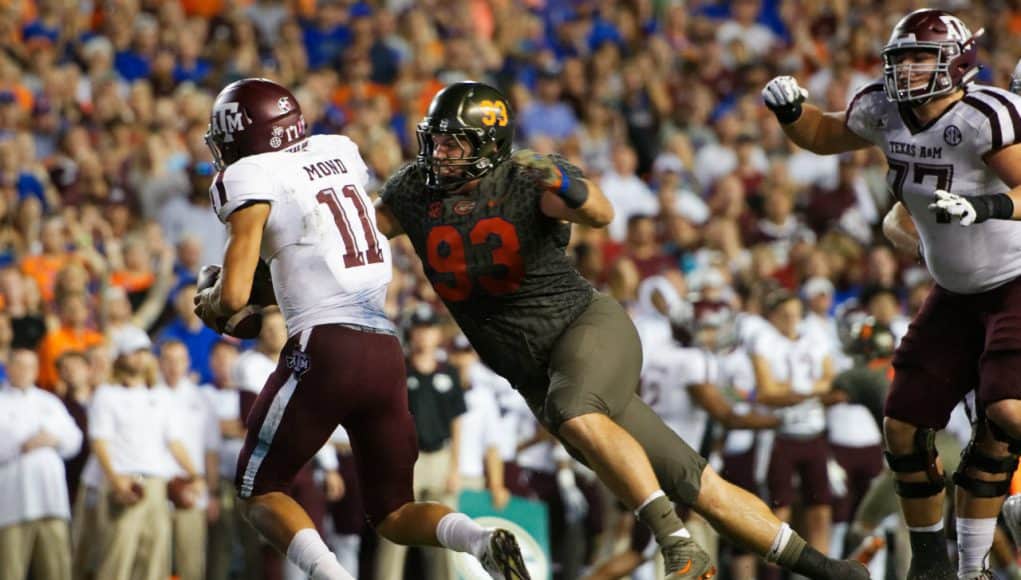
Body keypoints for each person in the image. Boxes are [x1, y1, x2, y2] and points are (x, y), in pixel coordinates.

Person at [375, 79, 868, 579]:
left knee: (573, 411)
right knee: (699, 486)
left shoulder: (523, 176)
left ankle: (676, 543)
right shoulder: (413, 189)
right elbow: (364, 230)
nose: (440, 151)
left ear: (490, 142)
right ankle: (831, 571)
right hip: (537, 376)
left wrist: (561, 180)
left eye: (455, 140)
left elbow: (600, 213)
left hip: (584, 330)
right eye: (436, 137)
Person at [193, 77, 529, 580]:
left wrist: (211, 300)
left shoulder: (249, 174)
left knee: (258, 487)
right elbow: (308, 256)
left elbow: (236, 297)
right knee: (393, 511)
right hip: (383, 350)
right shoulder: (336, 151)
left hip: (326, 347)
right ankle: (478, 539)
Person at [762, 9, 1021, 579]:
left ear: (956, 60)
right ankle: (932, 562)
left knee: (1007, 413)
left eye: (920, 58)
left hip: (1013, 280)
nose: (906, 70)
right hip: (954, 292)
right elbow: (824, 134)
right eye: (901, 58)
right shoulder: (883, 109)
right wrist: (790, 114)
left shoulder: (984, 117)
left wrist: (988, 206)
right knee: (902, 424)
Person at [0, 349, 83, 580]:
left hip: (51, 502)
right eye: (20, 365)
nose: (26, 371)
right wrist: (24, 443)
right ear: (8, 369)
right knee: (11, 570)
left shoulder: (50, 401)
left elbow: (74, 439)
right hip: (13, 505)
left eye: (31, 366)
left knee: (57, 569)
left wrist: (54, 439)